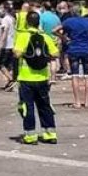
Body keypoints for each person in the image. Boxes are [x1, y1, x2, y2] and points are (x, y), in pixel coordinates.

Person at [13, 10, 58, 145]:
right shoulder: (45, 36)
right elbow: (55, 53)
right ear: (39, 22)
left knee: (28, 107)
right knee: (45, 106)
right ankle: (50, 134)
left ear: (27, 21)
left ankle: (30, 135)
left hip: (26, 78)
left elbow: (17, 53)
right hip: (43, 77)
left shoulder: (23, 36)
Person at [61, 6, 88, 108]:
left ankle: (77, 102)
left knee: (75, 75)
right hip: (87, 49)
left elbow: (55, 30)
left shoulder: (68, 21)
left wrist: (64, 38)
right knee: (87, 75)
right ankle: (87, 102)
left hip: (74, 49)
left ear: (72, 12)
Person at [0, 2, 17, 91]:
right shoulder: (12, 18)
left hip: (6, 45)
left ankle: (11, 79)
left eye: (1, 8)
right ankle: (10, 80)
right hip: (12, 44)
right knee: (8, 65)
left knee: (0, 64)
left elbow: (5, 32)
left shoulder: (5, 19)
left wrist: (0, 43)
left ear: (4, 9)